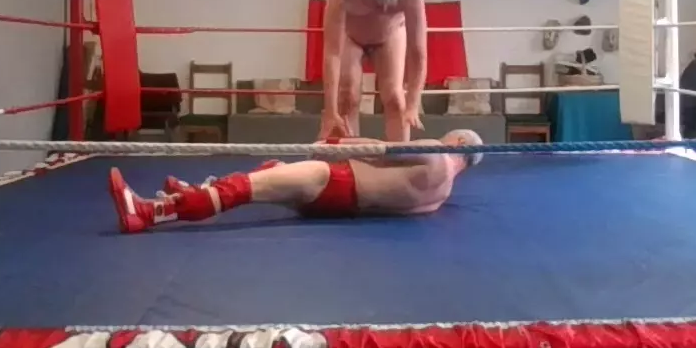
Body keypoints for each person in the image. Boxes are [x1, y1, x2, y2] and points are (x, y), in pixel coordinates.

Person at [106, 129, 484, 233]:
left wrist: (333, 145)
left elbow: (378, 150)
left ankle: (147, 213)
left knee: (246, 187)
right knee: (271, 171)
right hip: (340, 210)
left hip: (333, 180)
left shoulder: (435, 151)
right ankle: (194, 195)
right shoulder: (441, 195)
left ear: (457, 144)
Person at [319, 0, 427, 142]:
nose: (382, 8)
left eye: (388, 5)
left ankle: (400, 156)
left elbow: (418, 52)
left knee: (395, 98)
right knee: (347, 96)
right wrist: (330, 112)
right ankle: (349, 156)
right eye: (376, 3)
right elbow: (332, 52)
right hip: (350, 36)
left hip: (390, 34)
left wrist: (412, 105)